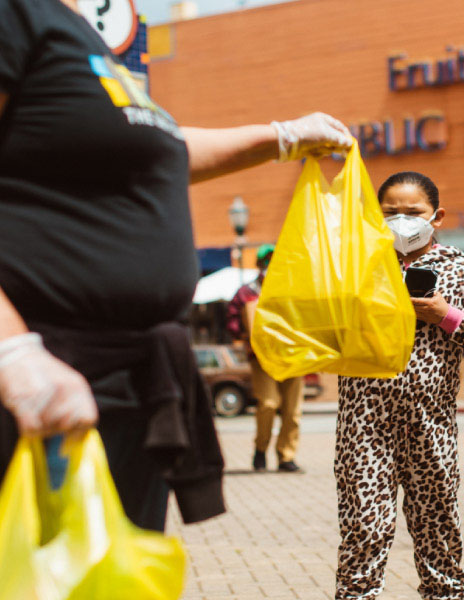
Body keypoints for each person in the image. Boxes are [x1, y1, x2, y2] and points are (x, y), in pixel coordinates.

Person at [0, 0, 351, 532]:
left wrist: (281, 137)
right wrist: (12, 353)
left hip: (122, 382)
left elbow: (159, 147)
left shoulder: (79, 35)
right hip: (38, 372)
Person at [335, 171, 464, 600]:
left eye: (412, 213)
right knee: (364, 533)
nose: (402, 221)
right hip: (364, 425)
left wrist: (445, 315)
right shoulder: (355, 265)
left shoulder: (458, 268)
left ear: (437, 216)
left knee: (439, 536)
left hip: (431, 425)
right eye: (390, 213)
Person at [226, 244, 304, 473]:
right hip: (262, 359)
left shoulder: (293, 289)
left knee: (292, 410)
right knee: (268, 404)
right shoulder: (246, 293)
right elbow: (232, 321)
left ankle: (286, 457)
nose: (270, 266)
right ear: (259, 265)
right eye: (266, 261)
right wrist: (245, 334)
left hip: (292, 356)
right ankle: (261, 450)